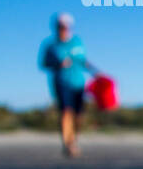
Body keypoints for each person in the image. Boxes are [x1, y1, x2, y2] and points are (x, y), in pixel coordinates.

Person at [38, 13, 99, 157]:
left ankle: (74, 140)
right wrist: (57, 64)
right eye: (60, 27)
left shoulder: (77, 42)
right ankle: (67, 143)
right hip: (61, 82)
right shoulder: (51, 46)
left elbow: (83, 60)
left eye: (65, 27)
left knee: (78, 114)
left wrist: (96, 73)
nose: (63, 29)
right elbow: (43, 64)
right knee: (66, 111)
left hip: (78, 83)